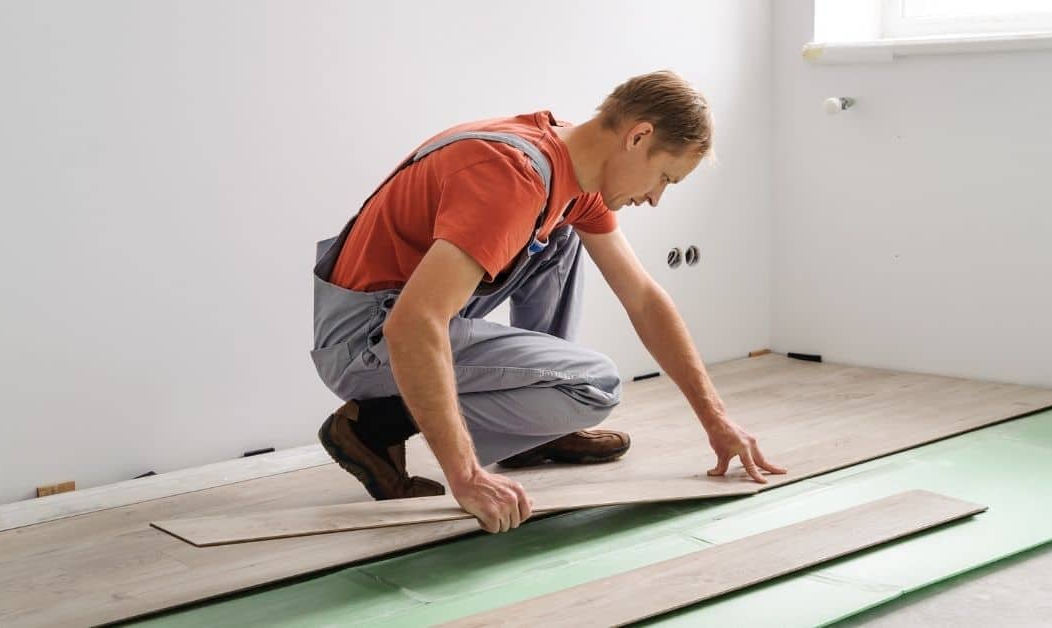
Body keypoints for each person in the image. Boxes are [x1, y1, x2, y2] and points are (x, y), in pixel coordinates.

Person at [310, 70, 785, 534]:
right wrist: (467, 476)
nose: (656, 197)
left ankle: (536, 432)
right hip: (366, 339)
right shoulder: (511, 178)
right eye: (664, 177)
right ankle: (374, 426)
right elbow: (414, 324)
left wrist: (717, 421)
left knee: (562, 237)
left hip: (393, 312)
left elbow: (642, 299)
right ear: (639, 137)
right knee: (593, 385)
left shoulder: (568, 168)